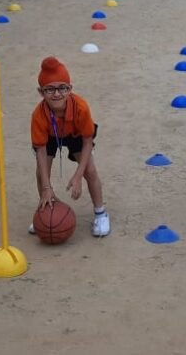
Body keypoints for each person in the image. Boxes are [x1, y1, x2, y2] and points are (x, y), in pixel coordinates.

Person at [28, 57, 110, 237]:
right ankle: (46, 211)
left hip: (76, 135)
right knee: (41, 172)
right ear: (41, 92)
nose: (57, 94)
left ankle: (100, 213)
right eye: (50, 89)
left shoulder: (81, 107)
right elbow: (41, 151)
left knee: (90, 170)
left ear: (70, 89)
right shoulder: (38, 116)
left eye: (62, 88)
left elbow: (87, 141)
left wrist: (78, 176)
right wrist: (47, 188)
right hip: (50, 136)